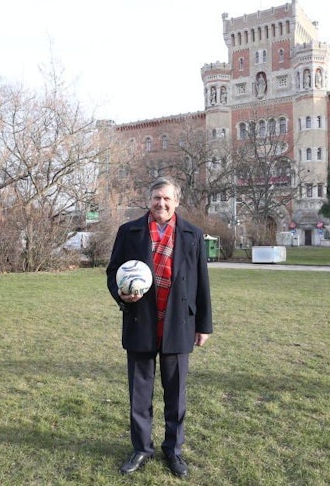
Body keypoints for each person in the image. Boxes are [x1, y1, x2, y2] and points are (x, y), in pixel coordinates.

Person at [106, 176, 213, 478]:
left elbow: (201, 282)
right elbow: (113, 271)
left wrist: (203, 324)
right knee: (139, 394)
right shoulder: (130, 231)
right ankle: (141, 448)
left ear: (176, 201)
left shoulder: (193, 234)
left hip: (178, 323)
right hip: (141, 321)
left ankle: (173, 450)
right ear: (149, 200)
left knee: (175, 395)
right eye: (156, 198)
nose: (161, 203)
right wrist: (121, 294)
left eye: (167, 198)